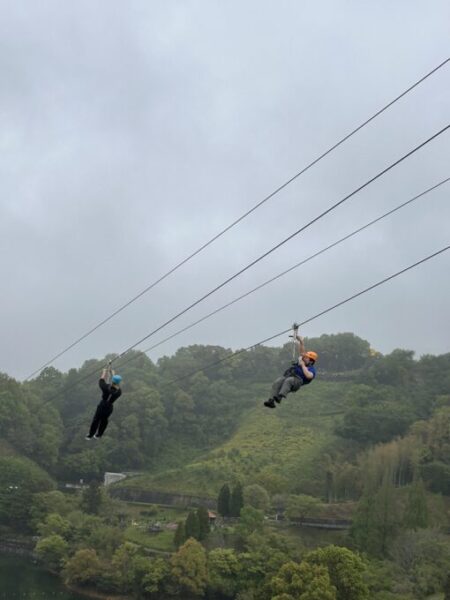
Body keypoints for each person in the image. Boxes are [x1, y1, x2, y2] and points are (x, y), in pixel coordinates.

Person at [264, 334, 317, 408]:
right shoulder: (302, 360)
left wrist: (303, 366)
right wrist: (301, 341)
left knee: (289, 380)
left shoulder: (311, 369)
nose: (304, 358)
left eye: (307, 358)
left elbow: (309, 376)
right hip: (290, 376)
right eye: (305, 357)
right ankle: (271, 400)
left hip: (297, 382)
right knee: (278, 381)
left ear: (311, 361)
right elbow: (302, 352)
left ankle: (280, 397)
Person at [86, 365, 122, 439]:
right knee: (104, 421)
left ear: (112, 381)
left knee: (96, 419)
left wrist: (104, 372)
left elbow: (101, 381)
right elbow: (116, 383)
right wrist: (113, 374)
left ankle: (91, 434)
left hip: (102, 405)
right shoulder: (119, 392)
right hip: (109, 407)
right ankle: (99, 434)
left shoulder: (106, 387)